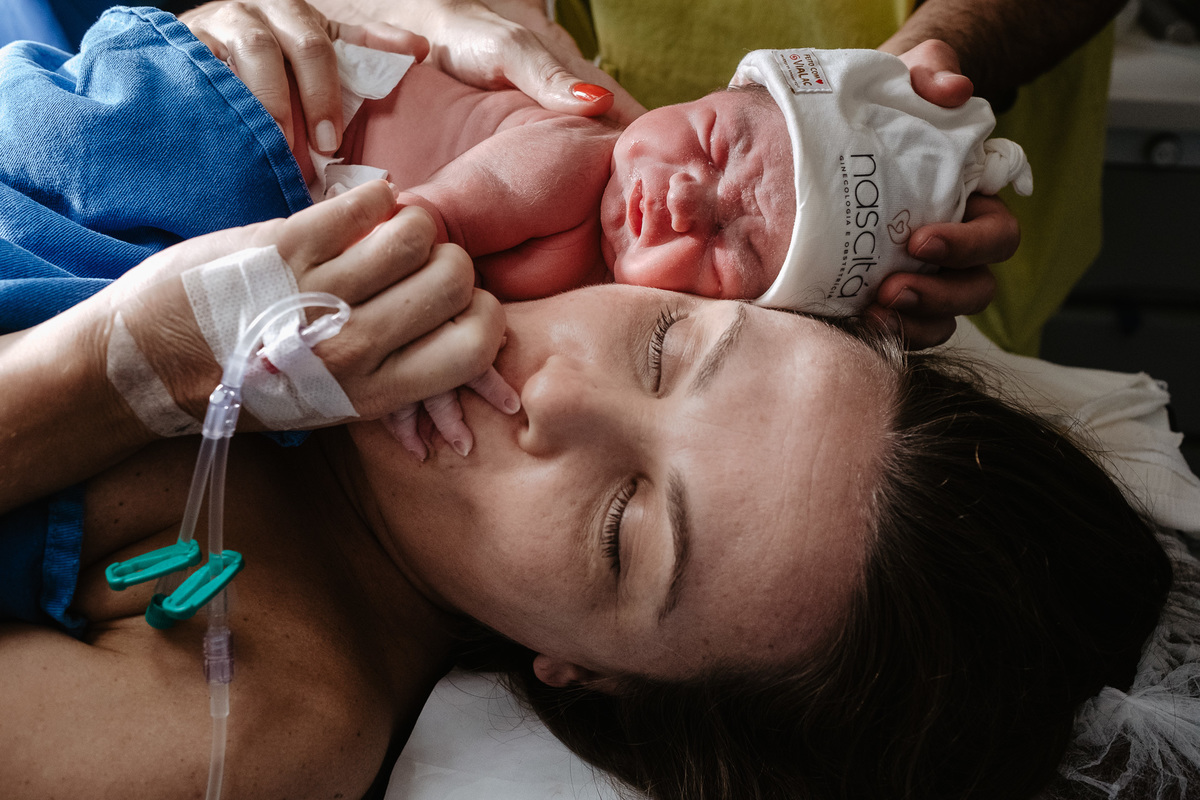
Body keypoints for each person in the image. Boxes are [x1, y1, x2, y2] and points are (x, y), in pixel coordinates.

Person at [0, 177, 1187, 800]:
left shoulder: (258, 724)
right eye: (666, 348)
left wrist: (118, 373)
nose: (555, 395)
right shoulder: (472, 201)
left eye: (622, 525)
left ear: (592, 677)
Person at [207, 0, 1123, 356]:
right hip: (231, 114)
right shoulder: (570, 160)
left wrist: (951, 52)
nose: (688, 198)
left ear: (747, 317)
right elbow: (404, 234)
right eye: (718, 145)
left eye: (731, 247)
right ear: (718, 92)